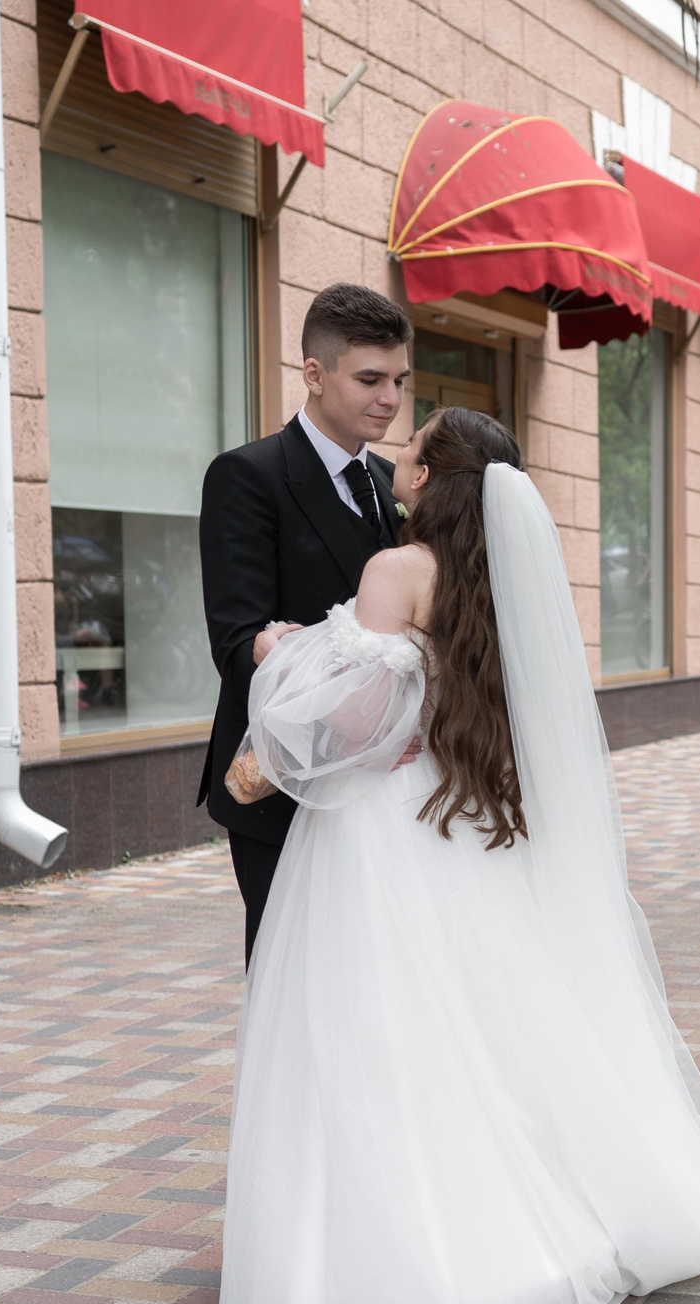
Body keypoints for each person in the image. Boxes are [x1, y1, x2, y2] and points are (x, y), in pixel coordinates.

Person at [218, 407, 700, 1304]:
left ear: (427, 480)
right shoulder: (493, 580)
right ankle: (537, 1215)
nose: (396, 454)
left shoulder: (397, 570)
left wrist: (285, 668)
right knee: (476, 1017)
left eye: (411, 448)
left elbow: (366, 713)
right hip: (456, 816)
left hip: (381, 824)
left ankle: (398, 1249)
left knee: (376, 1023)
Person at [199, 284, 415, 961]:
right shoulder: (247, 476)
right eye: (370, 379)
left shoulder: (392, 483)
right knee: (290, 971)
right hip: (283, 783)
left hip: (383, 793)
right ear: (315, 374)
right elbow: (235, 640)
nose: (390, 398)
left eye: (400, 380)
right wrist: (281, 656)